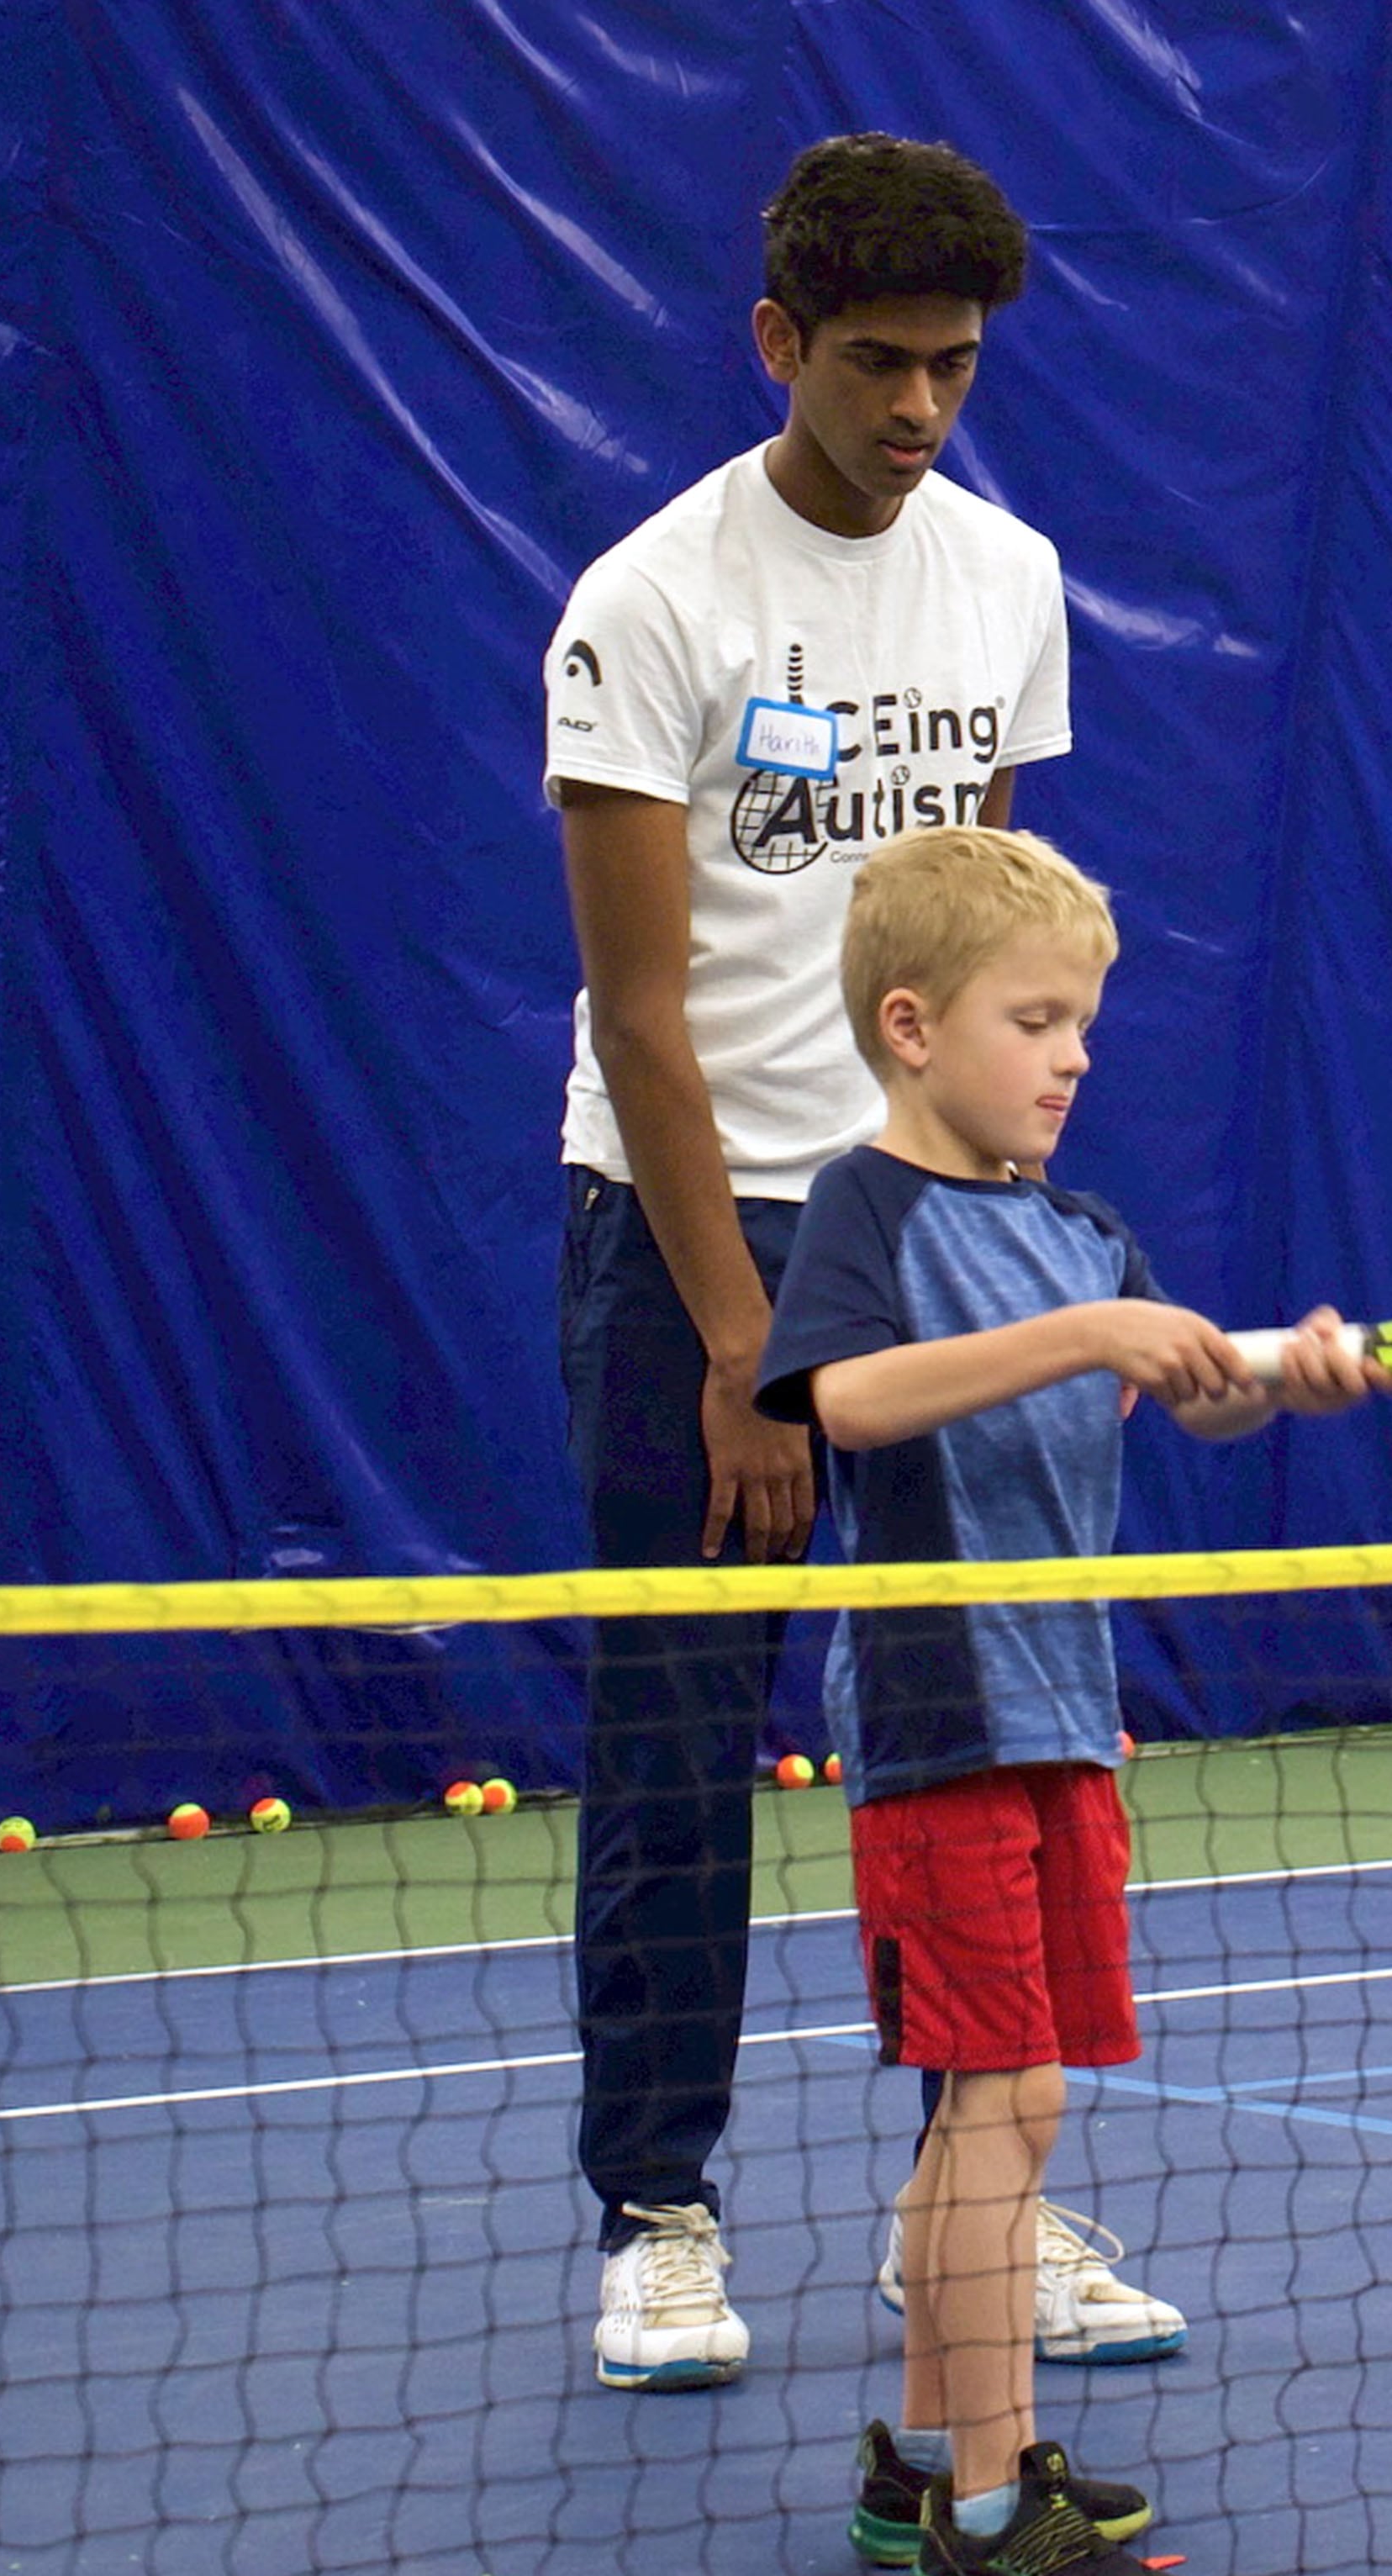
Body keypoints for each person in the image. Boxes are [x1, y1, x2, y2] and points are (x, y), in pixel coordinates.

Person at [540, 134, 1180, 2392]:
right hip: (693, 1237)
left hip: (930, 1237)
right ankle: (657, 2209)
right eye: (881, 363)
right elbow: (644, 1013)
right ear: (776, 345)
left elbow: (992, 946)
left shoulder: (1006, 579)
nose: (919, 407)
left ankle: (962, 2214)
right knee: (683, 1732)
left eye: (956, 367)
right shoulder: (649, 604)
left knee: (966, 1741)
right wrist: (741, 1343)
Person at [754, 823, 1385, 2576]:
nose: (1071, 1054)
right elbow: (848, 1401)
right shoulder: (865, 1209)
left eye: (1084, 1025)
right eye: (1035, 1018)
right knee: (1004, 2101)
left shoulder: (1077, 1229)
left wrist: (1281, 1375)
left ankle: (928, 2451)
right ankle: (984, 2519)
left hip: (1070, 1716)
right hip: (945, 1716)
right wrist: (1079, 1329)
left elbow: (1184, 1403)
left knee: (1003, 2103)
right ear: (907, 1025)